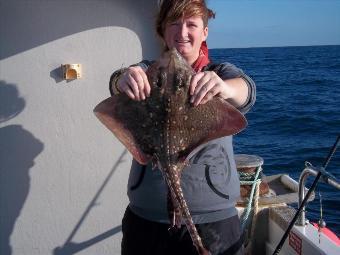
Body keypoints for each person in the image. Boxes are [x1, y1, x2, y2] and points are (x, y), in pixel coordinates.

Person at [109, 0, 256, 254]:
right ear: (163, 31)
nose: (183, 32)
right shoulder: (149, 73)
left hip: (214, 222)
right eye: (174, 24)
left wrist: (225, 87)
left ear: (204, 32)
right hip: (146, 220)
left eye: (191, 24)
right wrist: (123, 78)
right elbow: (117, 82)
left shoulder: (218, 71)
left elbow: (247, 90)